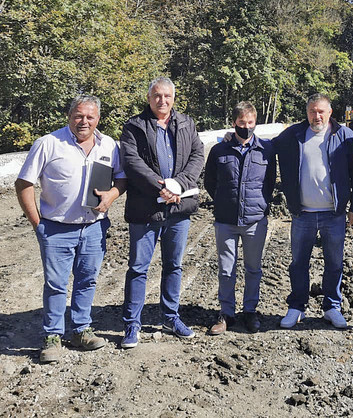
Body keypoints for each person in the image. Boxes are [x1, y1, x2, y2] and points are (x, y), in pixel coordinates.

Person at [15, 95, 126, 363]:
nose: (83, 121)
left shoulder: (109, 145)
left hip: (94, 228)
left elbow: (121, 179)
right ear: (69, 116)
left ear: (98, 119)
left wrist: (111, 195)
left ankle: (81, 330)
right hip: (56, 228)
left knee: (87, 281)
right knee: (56, 285)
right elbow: (23, 184)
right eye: (78, 116)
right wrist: (37, 222)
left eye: (90, 117)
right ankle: (52, 336)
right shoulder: (49, 143)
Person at [119, 77, 204, 348]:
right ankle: (132, 324)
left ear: (173, 98)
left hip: (178, 210)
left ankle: (170, 316)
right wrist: (162, 186)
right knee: (138, 268)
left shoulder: (187, 123)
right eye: (157, 96)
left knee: (173, 265)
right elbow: (132, 162)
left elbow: (197, 156)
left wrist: (179, 184)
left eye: (167, 96)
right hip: (146, 210)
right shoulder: (134, 126)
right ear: (149, 97)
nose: (162, 101)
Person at [274, 93, 353, 329]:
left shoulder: (344, 135)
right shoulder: (293, 135)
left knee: (334, 263)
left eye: (321, 111)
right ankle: (297, 307)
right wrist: (232, 137)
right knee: (298, 263)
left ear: (330, 112)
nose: (317, 116)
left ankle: (331, 307)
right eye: (312, 111)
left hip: (333, 214)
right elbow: (266, 146)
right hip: (302, 214)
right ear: (307, 113)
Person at [204, 101, 276, 335]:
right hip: (226, 220)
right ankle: (227, 313)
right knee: (226, 269)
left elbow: (269, 182)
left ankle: (250, 311)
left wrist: (259, 204)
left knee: (253, 268)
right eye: (242, 122)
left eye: (251, 123)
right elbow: (210, 182)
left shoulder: (266, 150)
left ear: (256, 123)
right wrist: (225, 201)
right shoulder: (219, 150)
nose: (246, 126)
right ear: (234, 122)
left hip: (255, 220)